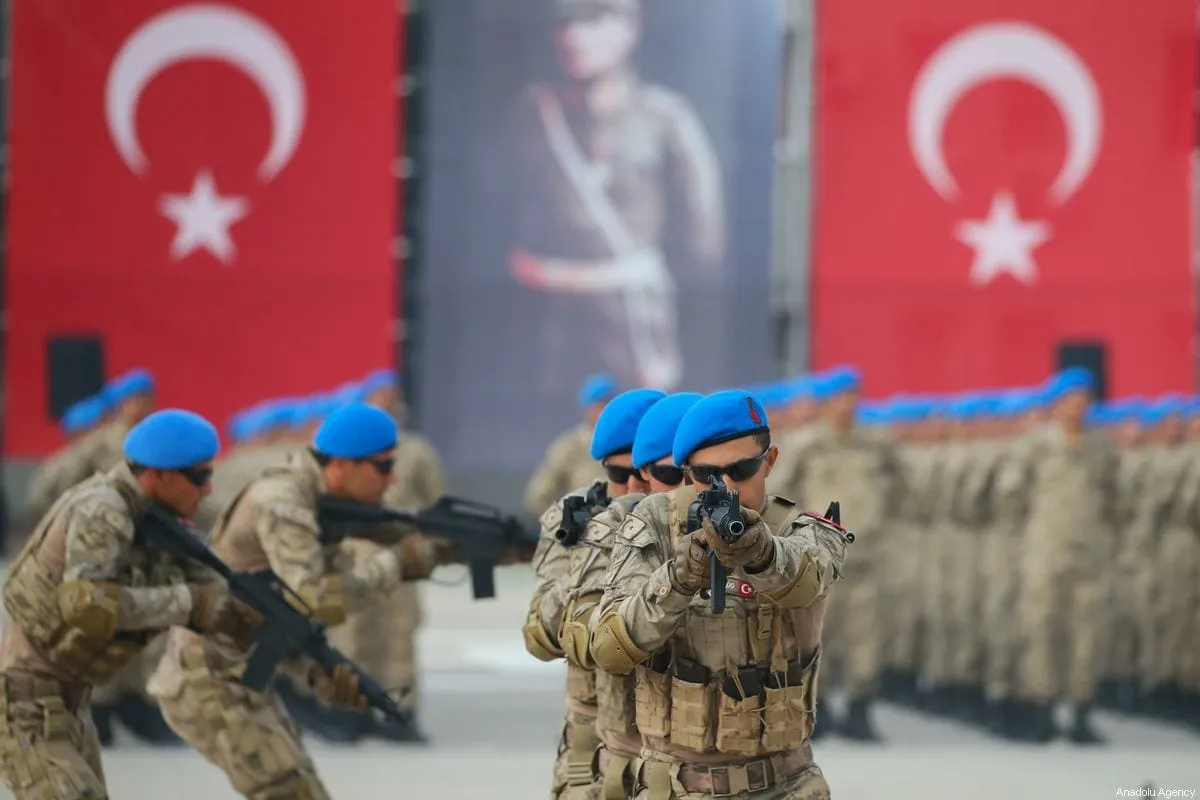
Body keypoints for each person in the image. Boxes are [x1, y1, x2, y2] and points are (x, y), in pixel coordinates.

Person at [147, 402, 455, 799]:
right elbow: (315, 597)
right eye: (383, 467)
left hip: (239, 671)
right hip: (208, 677)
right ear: (342, 464)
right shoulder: (284, 499)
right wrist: (395, 565)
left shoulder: (319, 495)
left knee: (299, 787)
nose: (392, 478)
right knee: (290, 791)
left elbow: (287, 612)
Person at [591, 390, 851, 799]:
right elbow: (608, 649)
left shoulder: (803, 530)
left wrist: (761, 553)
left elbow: (806, 581)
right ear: (687, 473)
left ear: (769, 460)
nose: (727, 487)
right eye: (707, 475)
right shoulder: (653, 525)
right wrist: (678, 580)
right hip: (676, 786)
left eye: (742, 469)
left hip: (782, 785)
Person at [0, 409, 257, 799]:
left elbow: (214, 595)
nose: (207, 489)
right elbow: (86, 606)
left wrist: (249, 618)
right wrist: (190, 604)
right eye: (199, 477)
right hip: (27, 703)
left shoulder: (158, 522)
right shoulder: (104, 510)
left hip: (68, 703)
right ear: (159, 475)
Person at [506, 0, 724, 391]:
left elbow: (701, 237)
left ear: (629, 29)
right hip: (547, 325)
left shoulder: (665, 118)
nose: (574, 37)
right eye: (566, 23)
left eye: (593, 20)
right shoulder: (534, 114)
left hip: (634, 323)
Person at [558, 391, 701, 800]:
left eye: (692, 474)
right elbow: (567, 637)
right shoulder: (599, 529)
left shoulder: (742, 528)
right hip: (613, 744)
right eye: (619, 473)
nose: (630, 486)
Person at [524, 387, 665, 800]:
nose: (633, 487)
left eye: (645, 473)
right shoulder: (575, 519)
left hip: (676, 746)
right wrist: (597, 550)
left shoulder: (686, 521)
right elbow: (540, 636)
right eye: (619, 476)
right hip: (596, 742)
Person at [326, 368, 448, 743]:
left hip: (400, 554)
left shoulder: (415, 451)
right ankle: (351, 712)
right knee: (352, 633)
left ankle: (399, 712)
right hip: (354, 553)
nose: (386, 403)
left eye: (391, 397)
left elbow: (435, 500)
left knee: (399, 635)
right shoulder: (345, 451)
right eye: (379, 397)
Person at [1008, 368, 1118, 743]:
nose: (1077, 408)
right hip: (1046, 551)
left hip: (1089, 554)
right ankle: (1043, 710)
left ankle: (1082, 713)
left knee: (1088, 633)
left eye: (1084, 400)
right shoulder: (1035, 446)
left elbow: (1114, 498)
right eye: (1071, 400)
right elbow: (1013, 496)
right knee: (1042, 629)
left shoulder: (1102, 448)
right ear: (1055, 405)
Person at [525, 374, 618, 516]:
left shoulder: (627, 444)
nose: (604, 411)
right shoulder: (571, 446)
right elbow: (539, 496)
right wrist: (565, 521)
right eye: (599, 405)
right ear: (588, 408)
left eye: (609, 404)